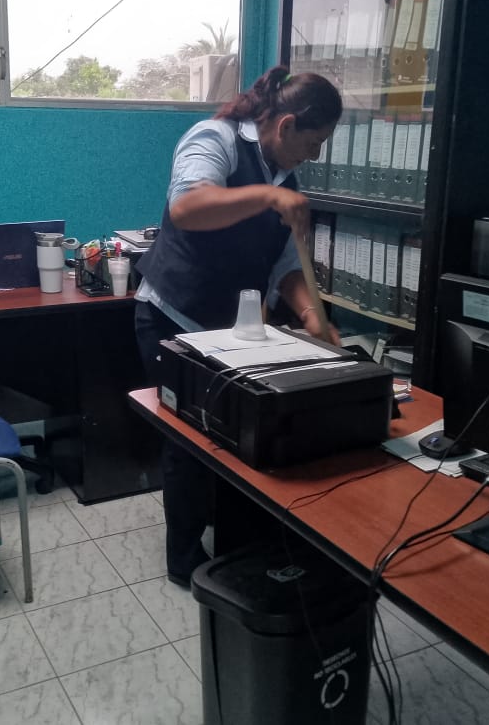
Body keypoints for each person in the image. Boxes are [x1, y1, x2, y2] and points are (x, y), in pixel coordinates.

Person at [134, 65, 343, 587]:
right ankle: (184, 562)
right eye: (313, 143)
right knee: (189, 441)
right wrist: (267, 198)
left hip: (232, 335)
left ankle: (235, 550)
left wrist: (312, 315)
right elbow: (188, 207)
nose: (315, 155)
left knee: (236, 437)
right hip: (173, 318)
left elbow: (286, 268)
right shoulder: (215, 139)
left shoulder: (285, 179)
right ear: (286, 124)